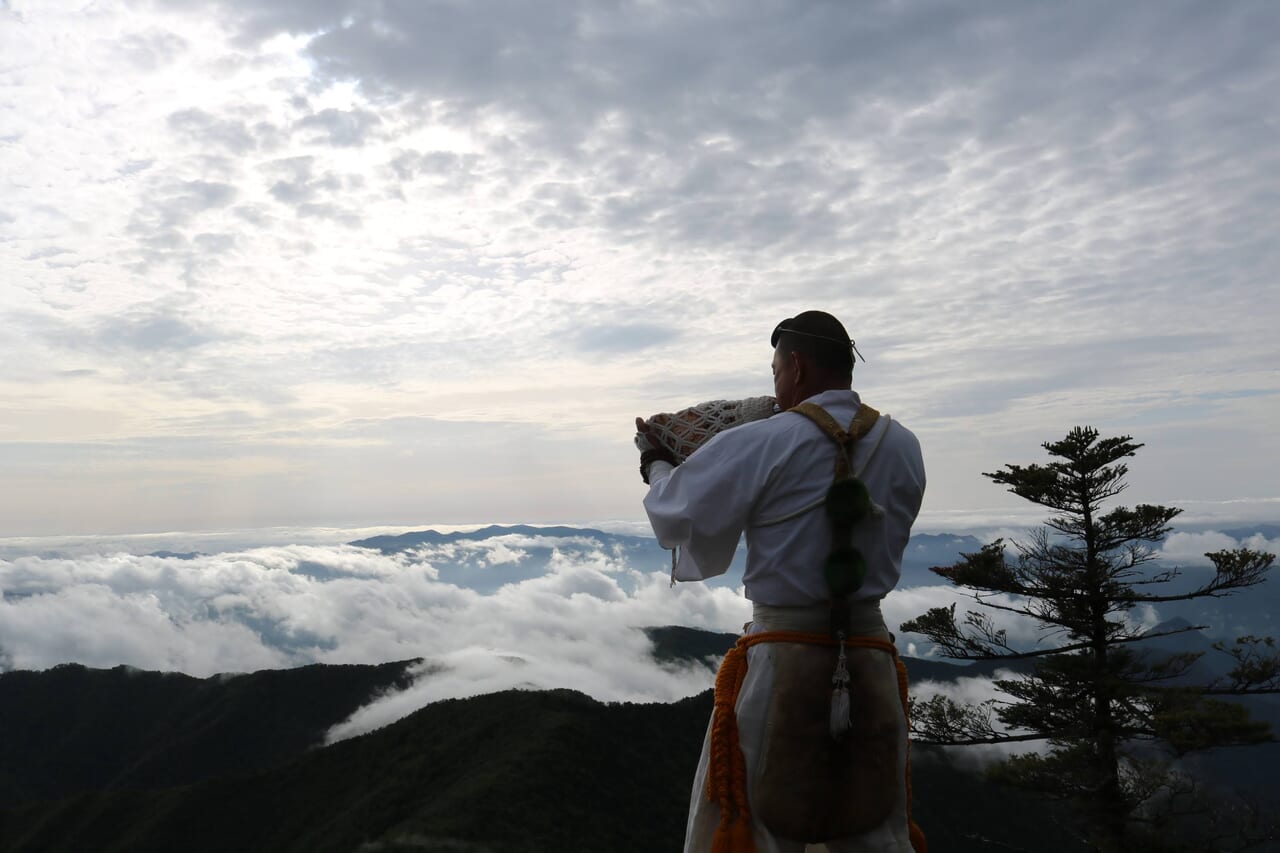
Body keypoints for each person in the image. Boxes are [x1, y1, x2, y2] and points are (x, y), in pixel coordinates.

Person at [636, 311, 926, 853]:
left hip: (783, 658)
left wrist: (655, 461)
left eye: (775, 370)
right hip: (872, 657)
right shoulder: (904, 445)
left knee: (755, 825)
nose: (774, 383)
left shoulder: (765, 440)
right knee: (872, 830)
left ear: (795, 366)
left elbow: (673, 512)